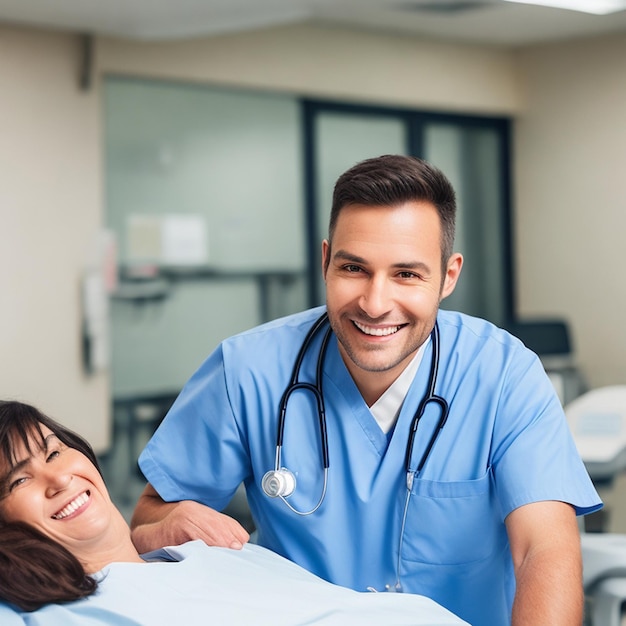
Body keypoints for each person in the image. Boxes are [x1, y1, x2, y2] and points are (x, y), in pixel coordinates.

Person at [130, 154, 602, 626]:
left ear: (449, 276)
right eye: (354, 268)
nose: (375, 304)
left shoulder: (503, 376)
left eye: (407, 274)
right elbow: (149, 516)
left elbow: (544, 551)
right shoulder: (246, 371)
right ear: (325, 262)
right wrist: (166, 526)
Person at [0, 400, 469, 625]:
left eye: (55, 451)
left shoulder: (217, 552)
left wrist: (149, 536)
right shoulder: (64, 616)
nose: (58, 479)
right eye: (19, 480)